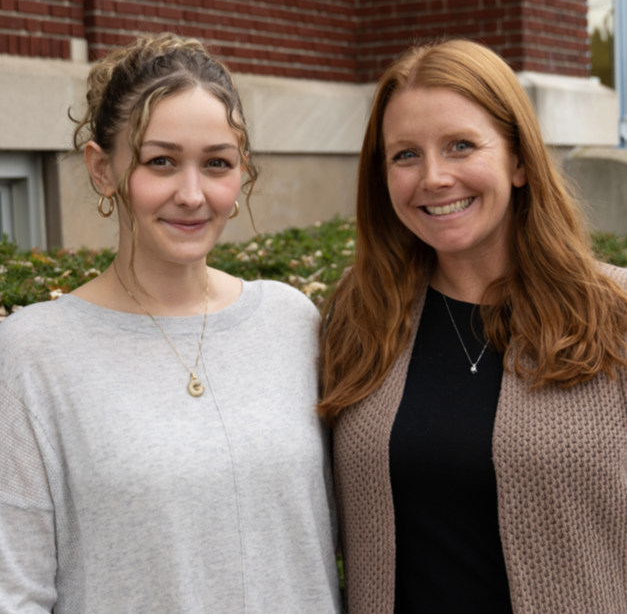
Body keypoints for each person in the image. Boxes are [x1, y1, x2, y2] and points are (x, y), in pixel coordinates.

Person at [0, 33, 340, 614]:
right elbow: (16, 590)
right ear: (103, 169)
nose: (192, 194)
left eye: (217, 164)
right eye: (161, 162)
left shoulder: (291, 321)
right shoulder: (35, 352)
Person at [319, 38, 627, 614]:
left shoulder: (616, 313)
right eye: (405, 155)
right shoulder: (358, 320)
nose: (434, 178)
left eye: (461, 145)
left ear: (518, 159)